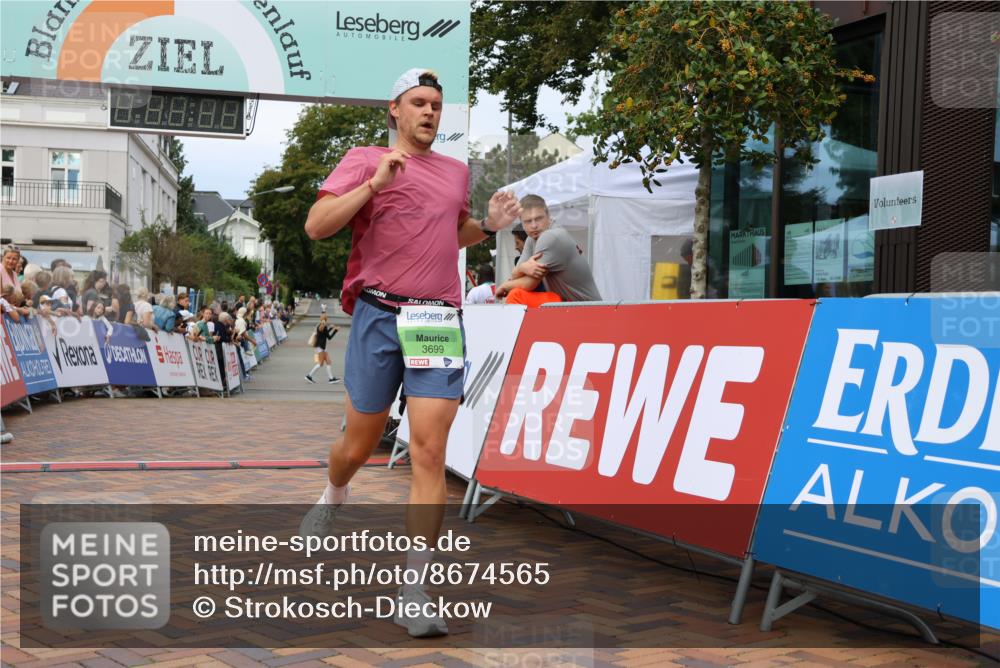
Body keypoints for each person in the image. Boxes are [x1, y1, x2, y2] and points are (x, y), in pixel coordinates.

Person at [299, 67, 521, 638]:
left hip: (436, 318)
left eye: (437, 105)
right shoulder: (362, 157)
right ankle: (335, 492)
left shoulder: (455, 172)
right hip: (377, 313)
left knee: (428, 451)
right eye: (419, 103)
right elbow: (316, 227)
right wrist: (373, 183)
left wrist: (489, 225)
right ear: (393, 109)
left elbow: (450, 232)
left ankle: (415, 591)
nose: (430, 112)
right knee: (359, 443)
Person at [496, 194, 602, 307]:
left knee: (516, 295)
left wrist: (504, 286)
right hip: (569, 305)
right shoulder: (532, 238)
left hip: (586, 308)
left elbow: (529, 284)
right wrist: (522, 267)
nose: (534, 225)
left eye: (538, 218)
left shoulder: (550, 236)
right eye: (528, 221)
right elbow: (516, 276)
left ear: (548, 215)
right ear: (521, 222)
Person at [305, 314, 341, 384]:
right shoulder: (323, 327)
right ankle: (309, 376)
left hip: (321, 347)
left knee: (328, 361)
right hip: (321, 348)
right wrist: (335, 330)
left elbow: (325, 333)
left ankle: (331, 378)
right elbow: (329, 337)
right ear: (326, 319)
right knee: (320, 364)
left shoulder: (320, 326)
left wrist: (331, 328)